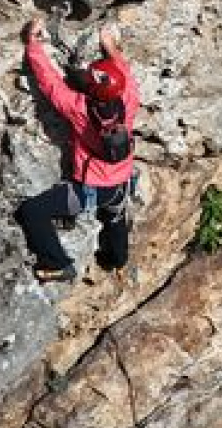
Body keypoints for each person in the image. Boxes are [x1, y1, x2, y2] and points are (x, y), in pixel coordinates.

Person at [15, 19, 142, 284]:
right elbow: (124, 73)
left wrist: (33, 45)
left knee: (32, 211)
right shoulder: (129, 99)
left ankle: (57, 263)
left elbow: (50, 84)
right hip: (121, 180)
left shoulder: (80, 109)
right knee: (115, 215)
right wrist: (110, 46)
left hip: (90, 188)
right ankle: (118, 261)